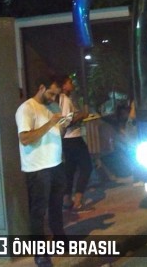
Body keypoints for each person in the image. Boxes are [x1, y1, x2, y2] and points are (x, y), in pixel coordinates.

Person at [16, 75, 70, 267]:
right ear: (41, 87)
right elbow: (25, 139)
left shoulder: (53, 107)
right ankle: (40, 254)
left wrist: (63, 126)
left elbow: (58, 133)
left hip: (55, 164)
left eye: (56, 95)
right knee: (38, 212)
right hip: (37, 168)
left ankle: (60, 239)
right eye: (51, 94)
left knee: (56, 206)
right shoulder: (27, 109)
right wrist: (50, 123)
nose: (53, 99)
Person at [59, 75, 92, 211]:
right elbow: (65, 122)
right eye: (69, 82)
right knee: (87, 167)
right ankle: (78, 200)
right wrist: (81, 116)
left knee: (70, 170)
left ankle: (67, 200)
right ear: (64, 86)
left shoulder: (60, 99)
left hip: (66, 140)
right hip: (73, 137)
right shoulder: (65, 100)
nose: (72, 85)